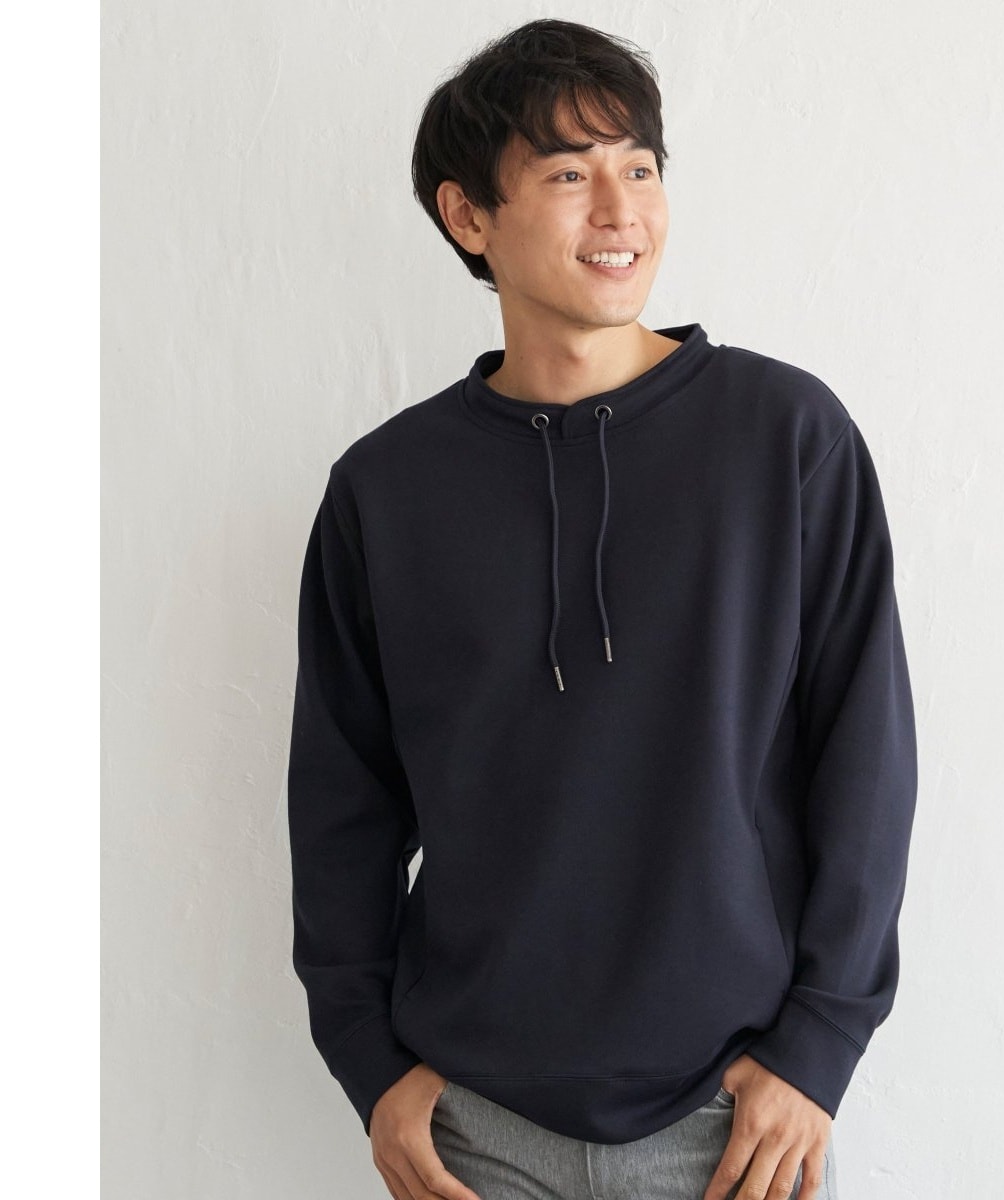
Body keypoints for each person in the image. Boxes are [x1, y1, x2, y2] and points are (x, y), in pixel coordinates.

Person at [286, 17, 918, 1200]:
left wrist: (819, 1045)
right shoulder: (386, 489)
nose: (621, 211)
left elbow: (866, 757)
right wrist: (370, 1064)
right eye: (569, 176)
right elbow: (341, 802)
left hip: (731, 1121)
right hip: (474, 1126)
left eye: (640, 167)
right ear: (468, 216)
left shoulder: (787, 440)